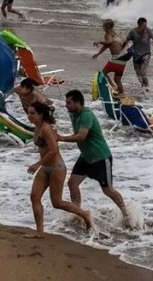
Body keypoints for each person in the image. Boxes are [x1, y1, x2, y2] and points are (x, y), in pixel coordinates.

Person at [57, 90, 132, 227]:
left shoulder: (86, 115)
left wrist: (61, 138)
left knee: (107, 189)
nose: (66, 105)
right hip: (86, 157)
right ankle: (77, 212)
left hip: (100, 157)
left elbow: (81, 136)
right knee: (72, 183)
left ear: (78, 103)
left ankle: (126, 215)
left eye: (69, 103)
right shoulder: (73, 113)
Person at [25, 101, 92, 238]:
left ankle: (85, 214)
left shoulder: (46, 128)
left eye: (32, 113)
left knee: (57, 202)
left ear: (41, 114)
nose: (29, 116)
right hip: (45, 168)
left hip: (56, 168)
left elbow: (54, 150)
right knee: (34, 197)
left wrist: (37, 164)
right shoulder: (37, 128)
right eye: (28, 113)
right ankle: (40, 232)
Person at [91, 19, 128, 95]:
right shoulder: (116, 34)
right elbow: (108, 45)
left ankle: (111, 88)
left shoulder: (108, 34)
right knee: (118, 80)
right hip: (123, 60)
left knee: (102, 74)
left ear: (106, 27)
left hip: (115, 59)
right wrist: (98, 53)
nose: (102, 27)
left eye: (103, 25)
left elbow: (109, 42)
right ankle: (121, 94)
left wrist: (99, 41)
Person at [121, 17, 153, 89]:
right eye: (144, 26)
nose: (145, 27)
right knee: (139, 76)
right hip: (136, 55)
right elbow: (126, 40)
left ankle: (147, 88)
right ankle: (143, 88)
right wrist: (123, 44)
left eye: (146, 25)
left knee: (143, 73)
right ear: (138, 24)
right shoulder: (133, 32)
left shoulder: (148, 31)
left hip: (146, 54)